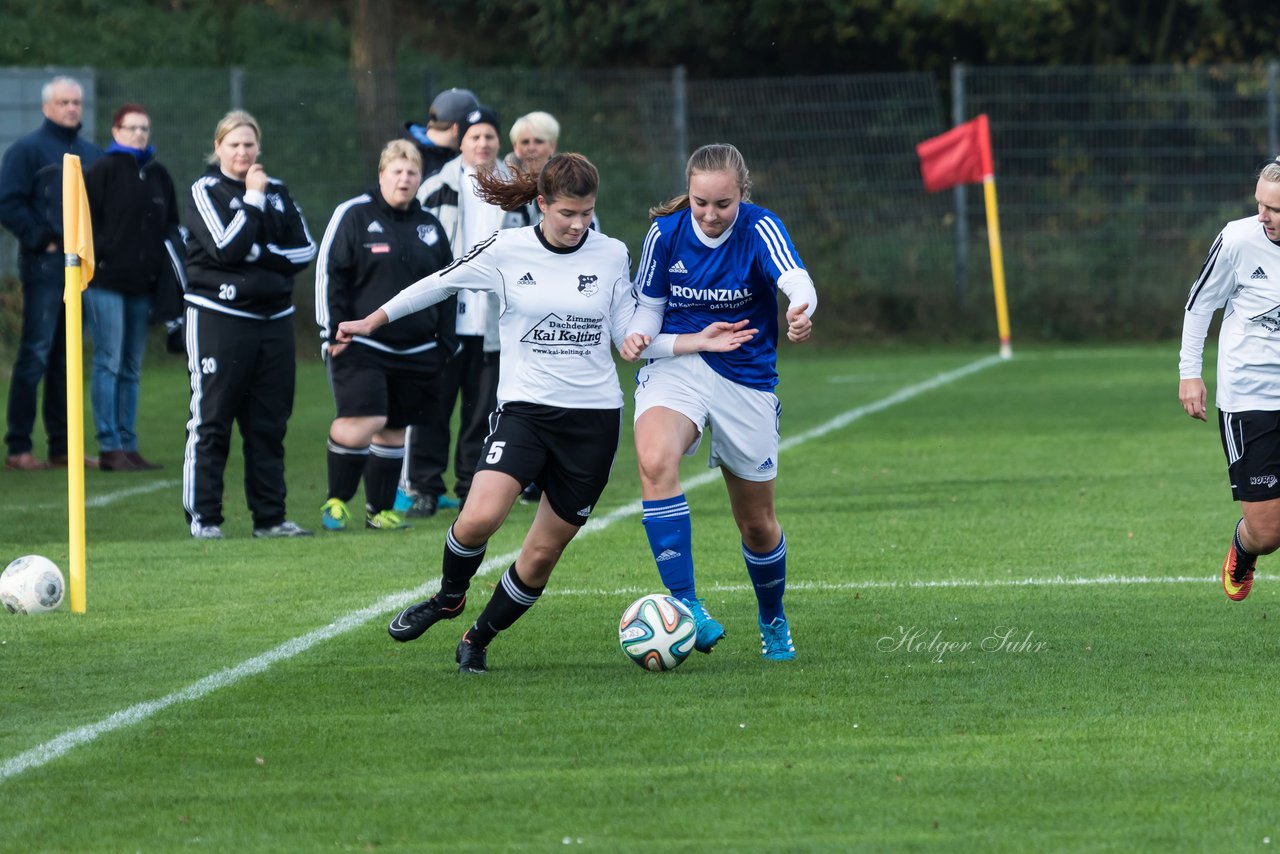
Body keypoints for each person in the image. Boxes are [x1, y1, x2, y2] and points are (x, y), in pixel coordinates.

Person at [337, 153, 753, 673]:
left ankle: (478, 637)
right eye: (567, 214)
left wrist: (695, 341)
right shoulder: (507, 250)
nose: (579, 224)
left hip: (592, 423)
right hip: (525, 412)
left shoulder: (610, 253)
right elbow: (440, 281)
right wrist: (372, 319)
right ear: (542, 205)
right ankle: (448, 597)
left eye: (587, 213)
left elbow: (629, 338)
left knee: (539, 556)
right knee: (479, 518)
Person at [621, 142, 817, 662]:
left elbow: (796, 279)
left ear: (741, 196)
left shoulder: (760, 228)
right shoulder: (665, 233)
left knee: (757, 522)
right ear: (687, 194)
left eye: (722, 204)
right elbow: (648, 308)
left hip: (746, 378)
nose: (709, 215)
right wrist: (640, 336)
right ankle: (687, 608)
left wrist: (800, 308)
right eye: (699, 202)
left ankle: (773, 618)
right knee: (655, 460)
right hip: (678, 365)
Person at [181, 110, 317, 540]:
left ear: (258, 147)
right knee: (212, 421)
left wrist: (258, 254)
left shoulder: (278, 191)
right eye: (234, 144)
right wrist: (253, 202)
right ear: (218, 146)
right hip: (220, 320)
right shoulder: (206, 190)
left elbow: (304, 251)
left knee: (268, 424)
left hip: (274, 322)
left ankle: (270, 518)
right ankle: (205, 520)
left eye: (249, 144)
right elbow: (225, 248)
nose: (242, 151)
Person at [315, 139, 456, 532]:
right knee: (365, 417)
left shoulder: (430, 225)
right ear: (382, 175)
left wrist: (447, 341)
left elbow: (448, 284)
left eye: (412, 172)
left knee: (394, 428)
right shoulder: (354, 215)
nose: (405, 179)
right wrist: (332, 330)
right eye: (397, 171)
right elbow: (331, 275)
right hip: (361, 343)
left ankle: (378, 511)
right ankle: (337, 501)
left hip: (419, 348)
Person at [400, 105, 529, 518]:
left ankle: (472, 486)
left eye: (490, 136)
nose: (483, 143)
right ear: (462, 141)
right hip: (446, 318)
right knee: (432, 404)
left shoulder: (516, 188)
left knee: (484, 408)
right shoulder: (436, 185)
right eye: (475, 136)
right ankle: (424, 487)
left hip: (495, 319)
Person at [1179, 157, 1280, 602]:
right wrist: (1189, 374)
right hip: (1250, 401)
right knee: (1268, 532)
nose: (1262, 216)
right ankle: (1244, 547)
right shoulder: (1238, 240)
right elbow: (1200, 305)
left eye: (1274, 209)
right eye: (1259, 203)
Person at [0, 76, 102, 471]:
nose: (71, 108)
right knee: (36, 353)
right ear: (47, 107)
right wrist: (42, 239)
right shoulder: (27, 151)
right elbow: (7, 202)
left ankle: (63, 448)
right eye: (63, 102)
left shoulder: (91, 153)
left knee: (68, 357)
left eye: (76, 102)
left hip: (82, 269)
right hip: (45, 266)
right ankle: (18, 447)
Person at [83, 103, 182, 472]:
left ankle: (129, 443)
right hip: (105, 281)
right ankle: (109, 446)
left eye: (144, 128)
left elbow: (171, 225)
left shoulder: (158, 174)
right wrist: (102, 258)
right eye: (132, 128)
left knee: (131, 366)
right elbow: (84, 222)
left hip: (144, 285)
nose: (139, 134)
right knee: (108, 360)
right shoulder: (102, 170)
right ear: (115, 131)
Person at [402, 87, 479, 180]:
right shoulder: (406, 159)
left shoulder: (448, 155)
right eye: (472, 127)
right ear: (456, 128)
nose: (477, 134)